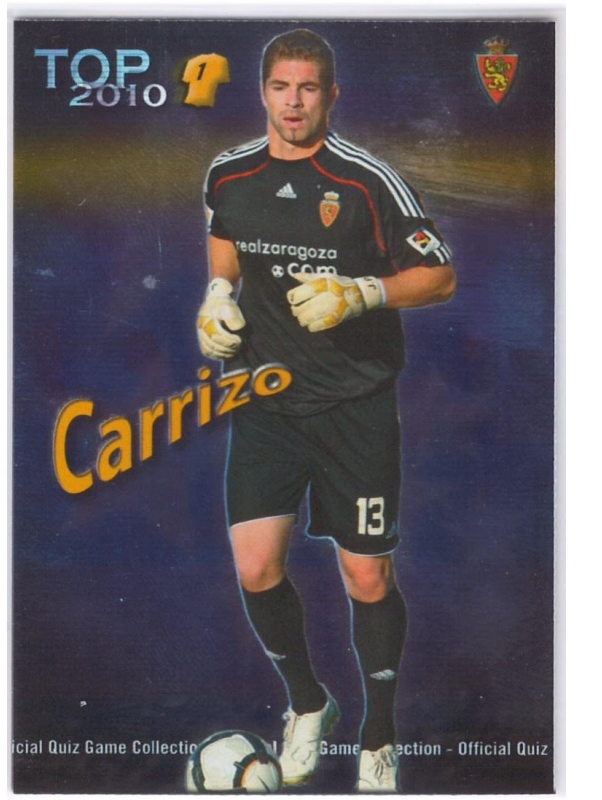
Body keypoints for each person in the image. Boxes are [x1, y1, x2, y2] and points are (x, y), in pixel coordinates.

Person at [197, 29, 455, 792]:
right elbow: (225, 239)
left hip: (355, 405)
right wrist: (216, 294)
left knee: (366, 577)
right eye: (282, 87)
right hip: (268, 401)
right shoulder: (230, 172)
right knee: (256, 567)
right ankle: (309, 704)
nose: (294, 102)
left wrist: (364, 292)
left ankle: (379, 733)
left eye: (309, 88)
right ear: (263, 91)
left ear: (331, 96)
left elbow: (439, 275)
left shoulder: (367, 180)